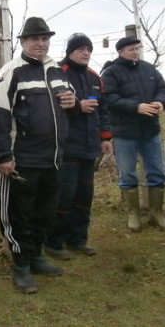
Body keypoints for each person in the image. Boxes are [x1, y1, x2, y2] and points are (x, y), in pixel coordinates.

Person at [0, 17, 77, 294]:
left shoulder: (57, 71)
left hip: (53, 158)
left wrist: (72, 100)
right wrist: (3, 155)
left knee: (44, 212)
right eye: (35, 39)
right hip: (21, 159)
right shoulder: (10, 72)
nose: (41, 43)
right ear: (23, 42)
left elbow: (68, 99)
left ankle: (37, 256)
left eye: (45, 38)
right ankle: (21, 264)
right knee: (19, 215)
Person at [44, 33, 112, 260]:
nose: (86, 53)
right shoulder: (58, 73)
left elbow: (103, 110)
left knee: (85, 196)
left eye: (89, 49)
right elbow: (51, 106)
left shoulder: (94, 77)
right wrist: (77, 107)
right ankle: (54, 242)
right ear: (70, 51)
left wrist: (105, 138)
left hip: (90, 146)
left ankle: (78, 240)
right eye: (81, 49)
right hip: (66, 147)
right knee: (64, 196)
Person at [101, 36, 165, 233]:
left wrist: (161, 102)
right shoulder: (111, 73)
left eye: (137, 48)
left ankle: (156, 214)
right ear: (120, 51)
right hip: (125, 132)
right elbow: (109, 99)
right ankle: (133, 213)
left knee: (157, 172)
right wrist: (136, 107)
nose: (135, 52)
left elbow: (163, 89)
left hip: (150, 130)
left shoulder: (148, 68)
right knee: (127, 173)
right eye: (131, 49)